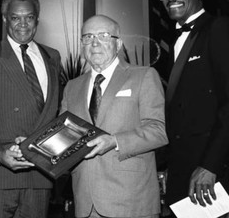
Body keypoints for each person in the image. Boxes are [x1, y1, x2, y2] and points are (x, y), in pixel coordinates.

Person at [157, 0, 229, 209]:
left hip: (211, 171)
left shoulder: (219, 28)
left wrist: (210, 165)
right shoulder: (173, 40)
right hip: (182, 168)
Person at [59, 14, 168, 218]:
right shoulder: (72, 87)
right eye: (88, 36)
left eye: (103, 35)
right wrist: (32, 150)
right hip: (85, 202)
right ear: (82, 45)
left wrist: (114, 141)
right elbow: (64, 136)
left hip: (132, 201)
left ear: (118, 44)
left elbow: (158, 131)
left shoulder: (144, 75)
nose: (95, 42)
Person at [0, 0, 61, 218]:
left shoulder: (53, 57)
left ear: (37, 19)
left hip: (40, 176)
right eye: (16, 18)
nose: (23, 24)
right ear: (5, 19)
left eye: (29, 17)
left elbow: (54, 114)